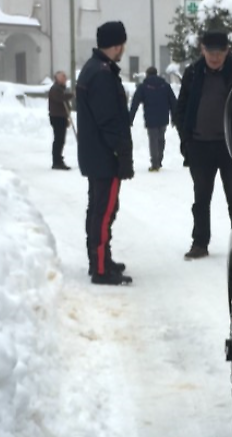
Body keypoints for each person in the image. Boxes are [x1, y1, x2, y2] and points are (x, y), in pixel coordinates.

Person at [173, 30, 232, 261]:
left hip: (230, 147)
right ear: (202, 50)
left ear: (227, 50)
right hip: (200, 146)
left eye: (219, 52)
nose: (215, 57)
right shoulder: (193, 73)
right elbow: (182, 108)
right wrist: (186, 138)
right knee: (201, 198)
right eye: (210, 52)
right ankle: (200, 243)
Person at [77, 21, 135, 285]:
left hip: (97, 156)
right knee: (104, 211)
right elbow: (109, 120)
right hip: (104, 157)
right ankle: (100, 267)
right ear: (117, 44)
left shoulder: (95, 69)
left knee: (99, 210)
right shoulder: (101, 74)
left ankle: (100, 259)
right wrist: (121, 153)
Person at [129, 66, 177, 172]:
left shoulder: (143, 86)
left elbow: (135, 103)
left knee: (153, 139)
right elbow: (173, 102)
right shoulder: (165, 85)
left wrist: (130, 118)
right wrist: (175, 117)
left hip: (150, 117)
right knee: (161, 138)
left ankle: (154, 163)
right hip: (163, 116)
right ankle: (159, 160)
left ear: (147, 74)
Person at [48, 71, 74, 170]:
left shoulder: (61, 89)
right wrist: (71, 95)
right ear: (57, 78)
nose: (65, 78)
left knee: (61, 139)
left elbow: (65, 102)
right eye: (63, 77)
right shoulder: (55, 89)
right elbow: (60, 98)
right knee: (59, 139)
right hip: (57, 117)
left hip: (61, 116)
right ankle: (56, 161)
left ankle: (59, 159)